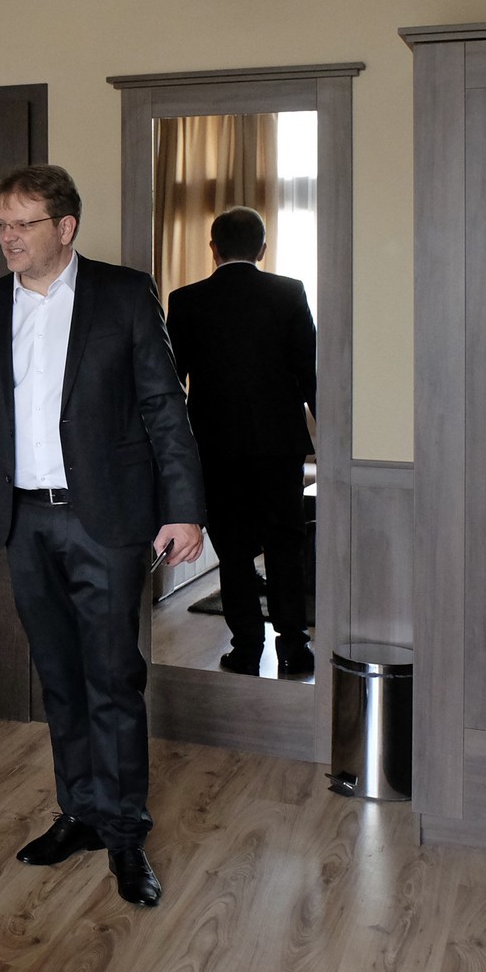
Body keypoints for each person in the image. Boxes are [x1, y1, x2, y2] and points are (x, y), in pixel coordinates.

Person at [0, 166, 205, 909]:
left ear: (65, 227)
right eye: (1, 223)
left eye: (23, 223)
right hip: (25, 521)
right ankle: (80, 812)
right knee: (58, 676)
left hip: (108, 521)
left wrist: (184, 509)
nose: (8, 238)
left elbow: (164, 407)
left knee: (112, 677)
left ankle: (124, 833)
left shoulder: (123, 295)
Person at [166, 207, 318, 678]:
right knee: (285, 545)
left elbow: (171, 382)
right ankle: (295, 648)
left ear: (213, 248)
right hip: (279, 445)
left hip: (215, 447)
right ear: (262, 249)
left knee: (232, 550)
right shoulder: (289, 292)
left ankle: (246, 648)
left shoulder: (186, 300)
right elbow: (309, 373)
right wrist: (331, 437)